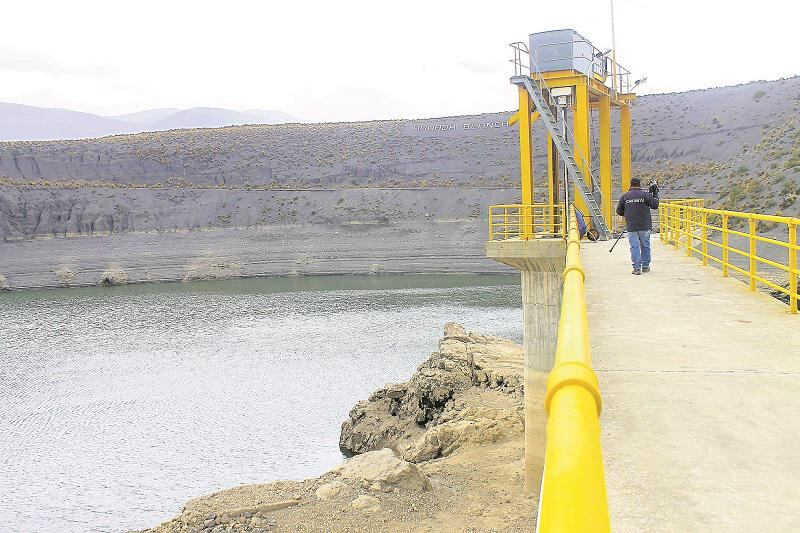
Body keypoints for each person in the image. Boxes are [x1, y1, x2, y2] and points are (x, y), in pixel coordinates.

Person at [616, 177, 659, 275]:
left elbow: (619, 211)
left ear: (630, 185)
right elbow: (655, 205)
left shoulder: (625, 196)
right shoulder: (645, 195)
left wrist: (628, 214)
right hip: (645, 225)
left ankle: (636, 268)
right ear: (639, 185)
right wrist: (655, 194)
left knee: (634, 246)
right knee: (645, 246)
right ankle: (645, 266)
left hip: (632, 225)